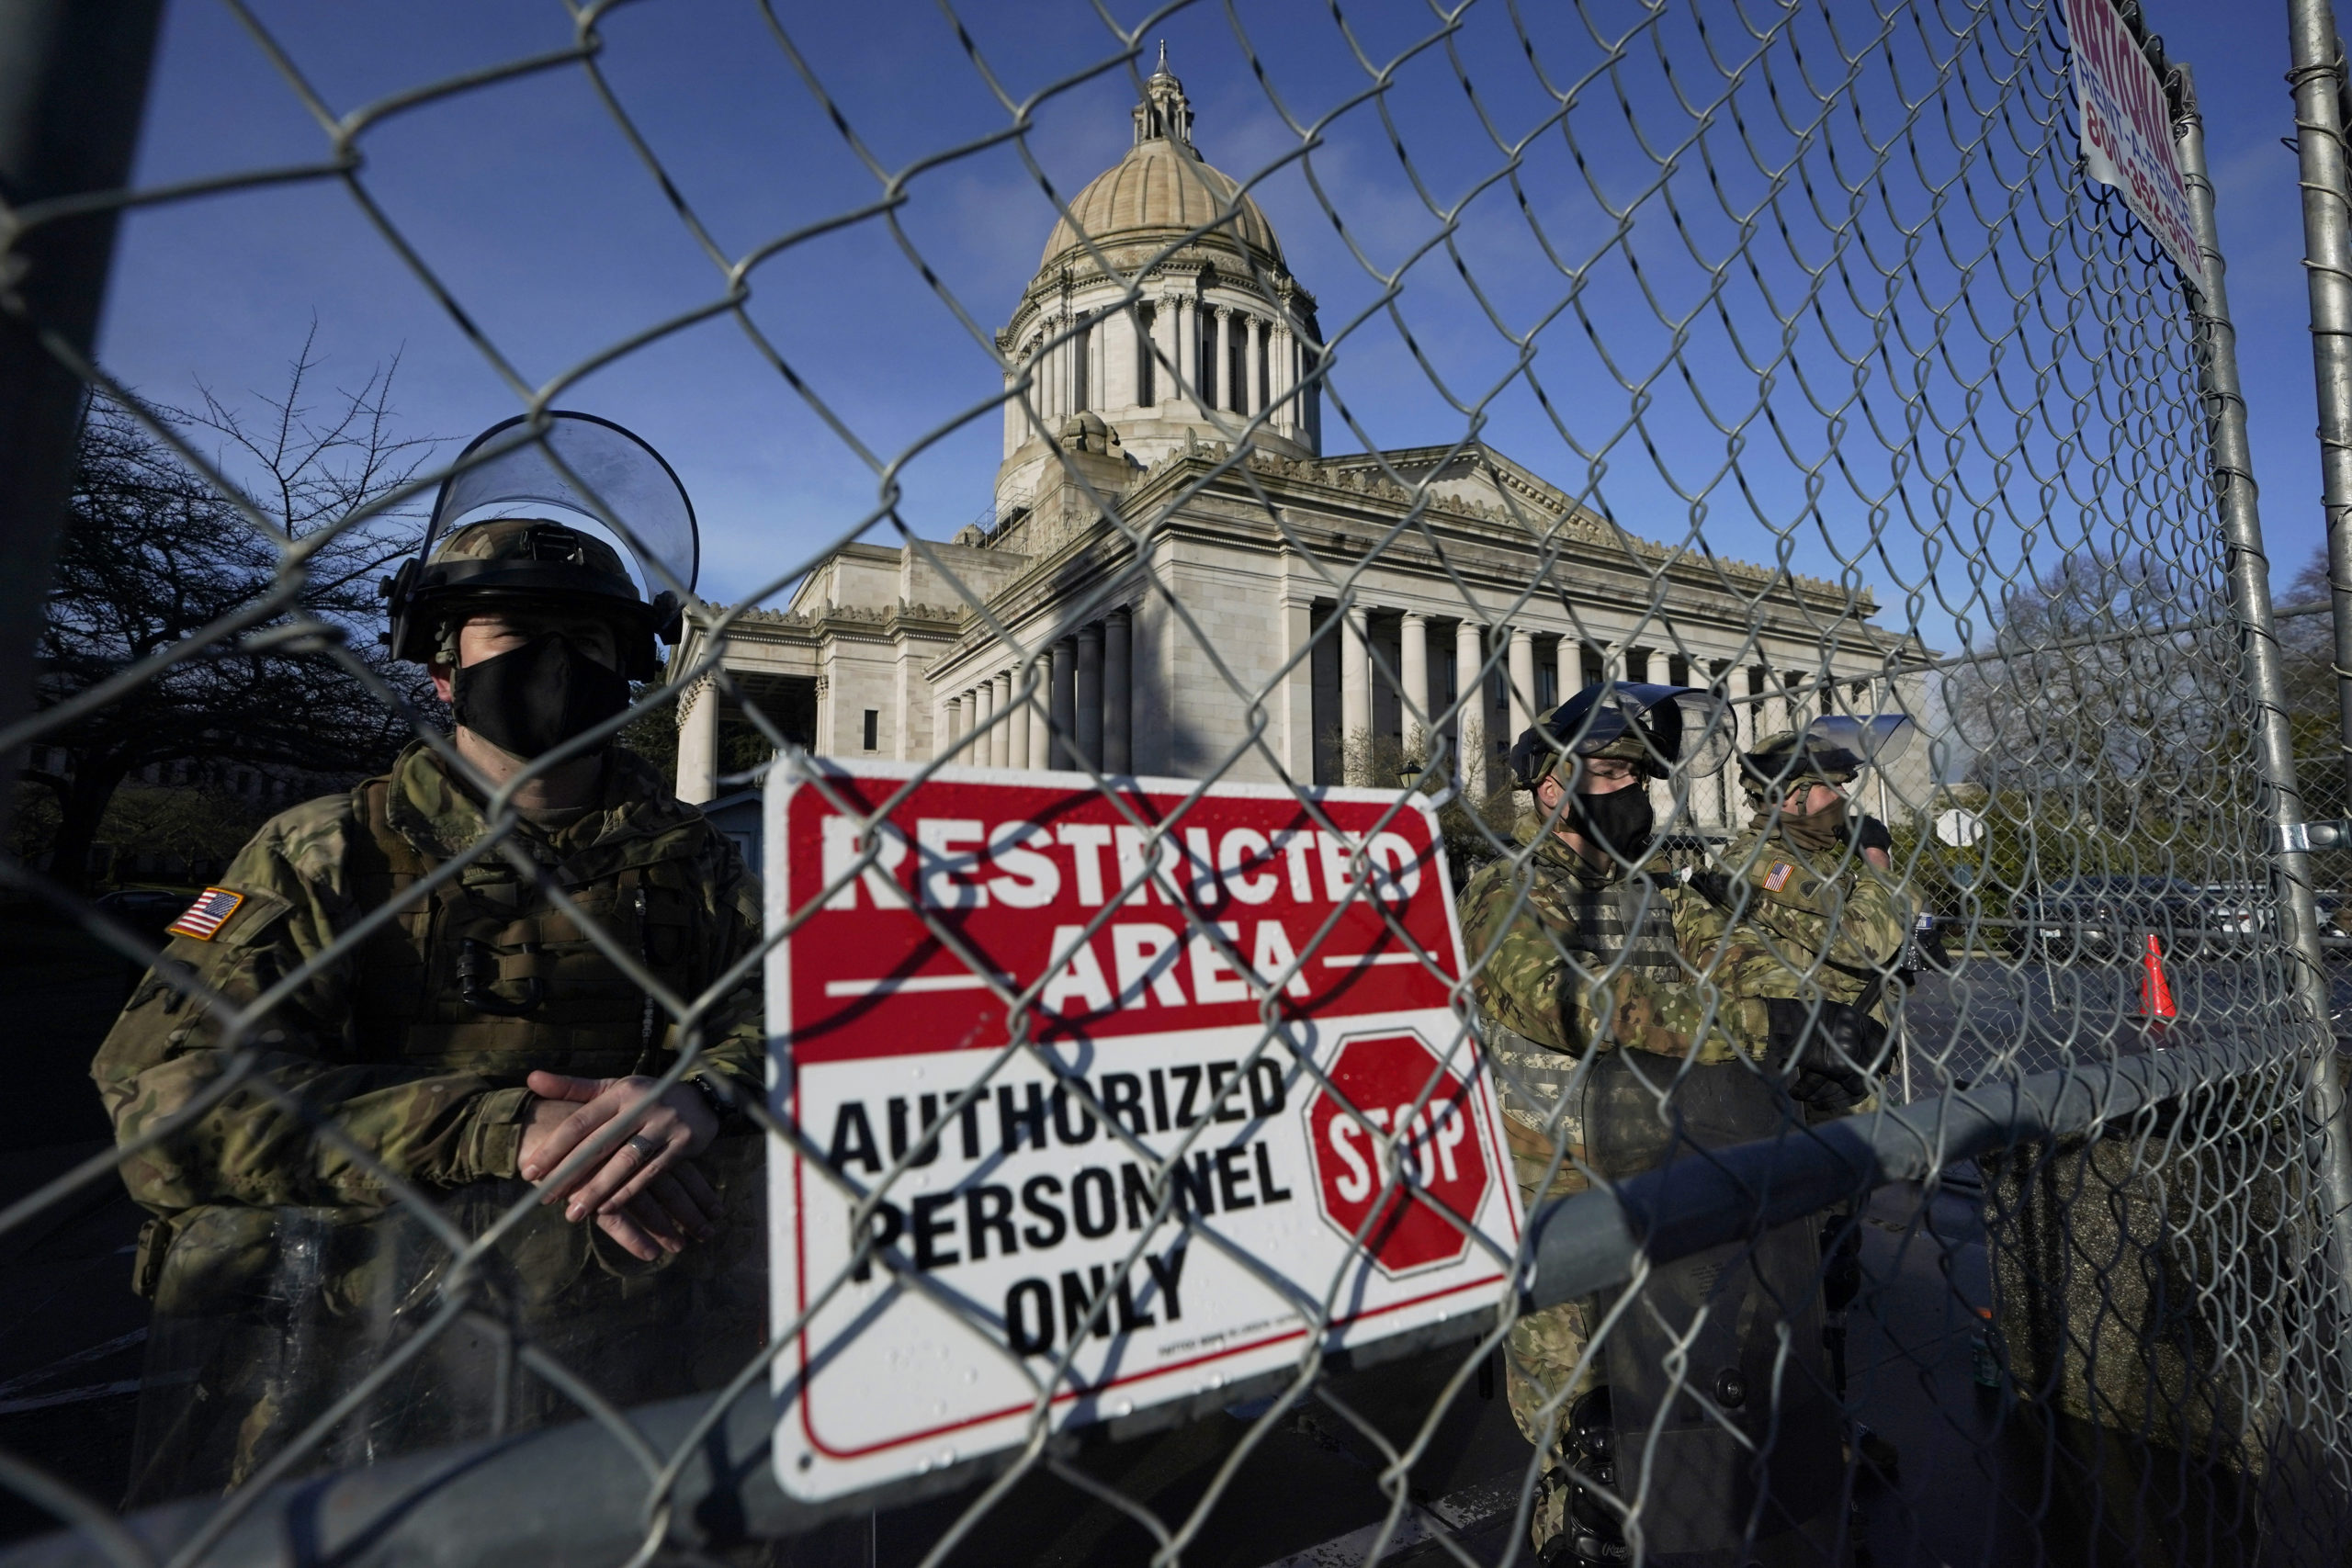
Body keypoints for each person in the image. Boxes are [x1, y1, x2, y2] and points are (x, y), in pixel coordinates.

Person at [92, 413, 765, 1503]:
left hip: (639, 1366)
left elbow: (795, 1021)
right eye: (514, 637)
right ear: (442, 666)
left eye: (587, 646)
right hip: (360, 1371)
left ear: (630, 671)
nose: (555, 667)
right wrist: (507, 1129)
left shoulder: (689, 865)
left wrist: (701, 1096)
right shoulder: (324, 851)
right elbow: (169, 1102)